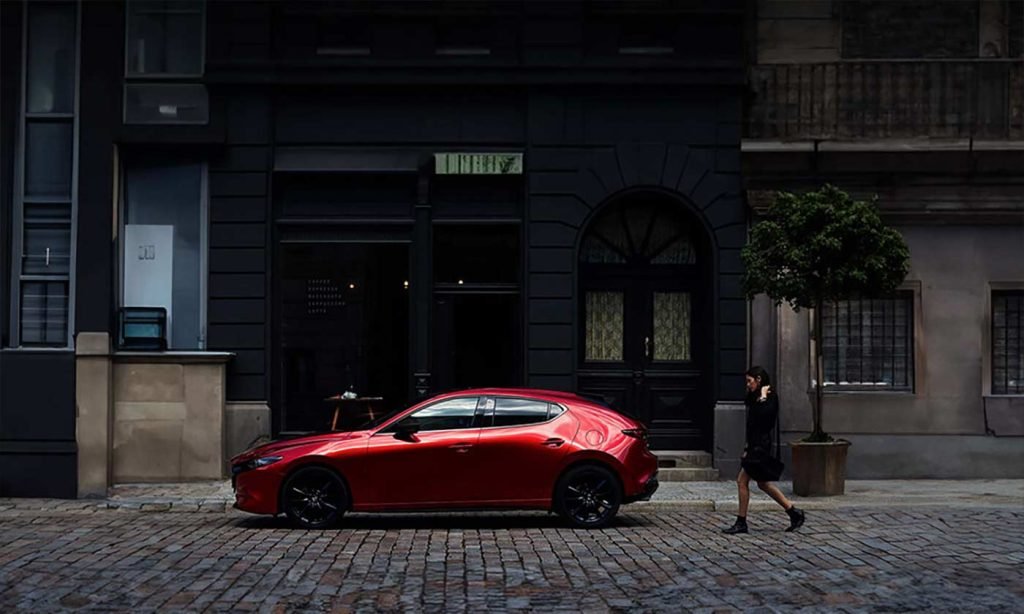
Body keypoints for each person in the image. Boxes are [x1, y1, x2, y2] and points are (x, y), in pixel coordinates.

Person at [722, 366, 806, 534]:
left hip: (760, 446)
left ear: (759, 379)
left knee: (742, 481)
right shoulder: (755, 397)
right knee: (762, 484)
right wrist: (746, 446)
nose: (747, 385)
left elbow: (764, 420)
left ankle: (742, 522)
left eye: (749, 381)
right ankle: (793, 512)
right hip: (754, 445)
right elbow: (751, 423)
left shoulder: (770, 397)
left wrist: (763, 396)